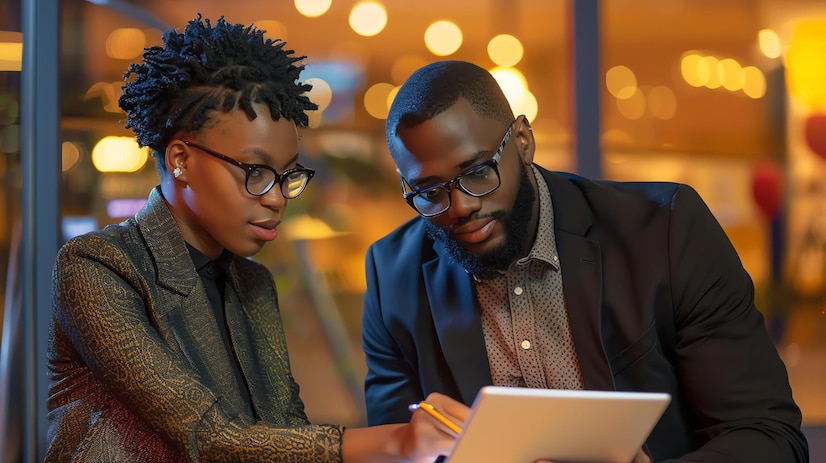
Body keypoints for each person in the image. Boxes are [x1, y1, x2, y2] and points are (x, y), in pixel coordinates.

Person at [47, 16, 467, 463]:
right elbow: (208, 439)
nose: (277, 198)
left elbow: (285, 433)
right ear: (181, 160)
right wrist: (396, 441)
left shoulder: (252, 283)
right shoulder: (97, 267)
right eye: (256, 172)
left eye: (287, 176)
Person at [361, 60, 810, 462]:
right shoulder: (392, 276)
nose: (458, 207)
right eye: (429, 192)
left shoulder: (665, 232)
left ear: (522, 141)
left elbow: (769, 437)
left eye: (478, 172)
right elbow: (392, 450)